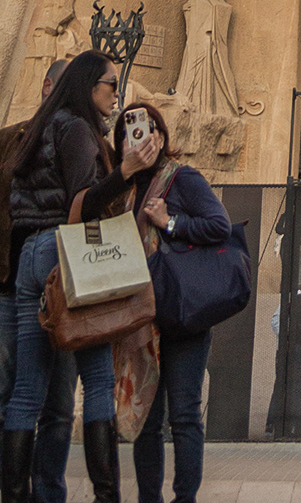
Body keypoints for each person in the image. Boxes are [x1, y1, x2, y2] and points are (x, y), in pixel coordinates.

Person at [78, 99, 235, 502]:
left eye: (146, 131)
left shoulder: (182, 178)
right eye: (127, 135)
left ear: (161, 137)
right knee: (146, 419)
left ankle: (185, 498)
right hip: (139, 319)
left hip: (181, 314)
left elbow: (219, 225)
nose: (137, 139)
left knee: (183, 414)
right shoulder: (121, 188)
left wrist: (171, 222)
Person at [0, 48, 123, 503]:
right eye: (111, 84)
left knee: (27, 389)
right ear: (90, 86)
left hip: (30, 254)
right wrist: (126, 172)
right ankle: (106, 496)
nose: (116, 94)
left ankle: (15, 495)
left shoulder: (38, 129)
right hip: (66, 253)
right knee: (99, 381)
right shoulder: (76, 130)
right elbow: (83, 204)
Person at [0, 63, 74, 503]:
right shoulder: (6, 142)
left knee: (58, 409)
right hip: (6, 288)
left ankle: (48, 495)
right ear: (47, 86)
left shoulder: (79, 143)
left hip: (65, 296)